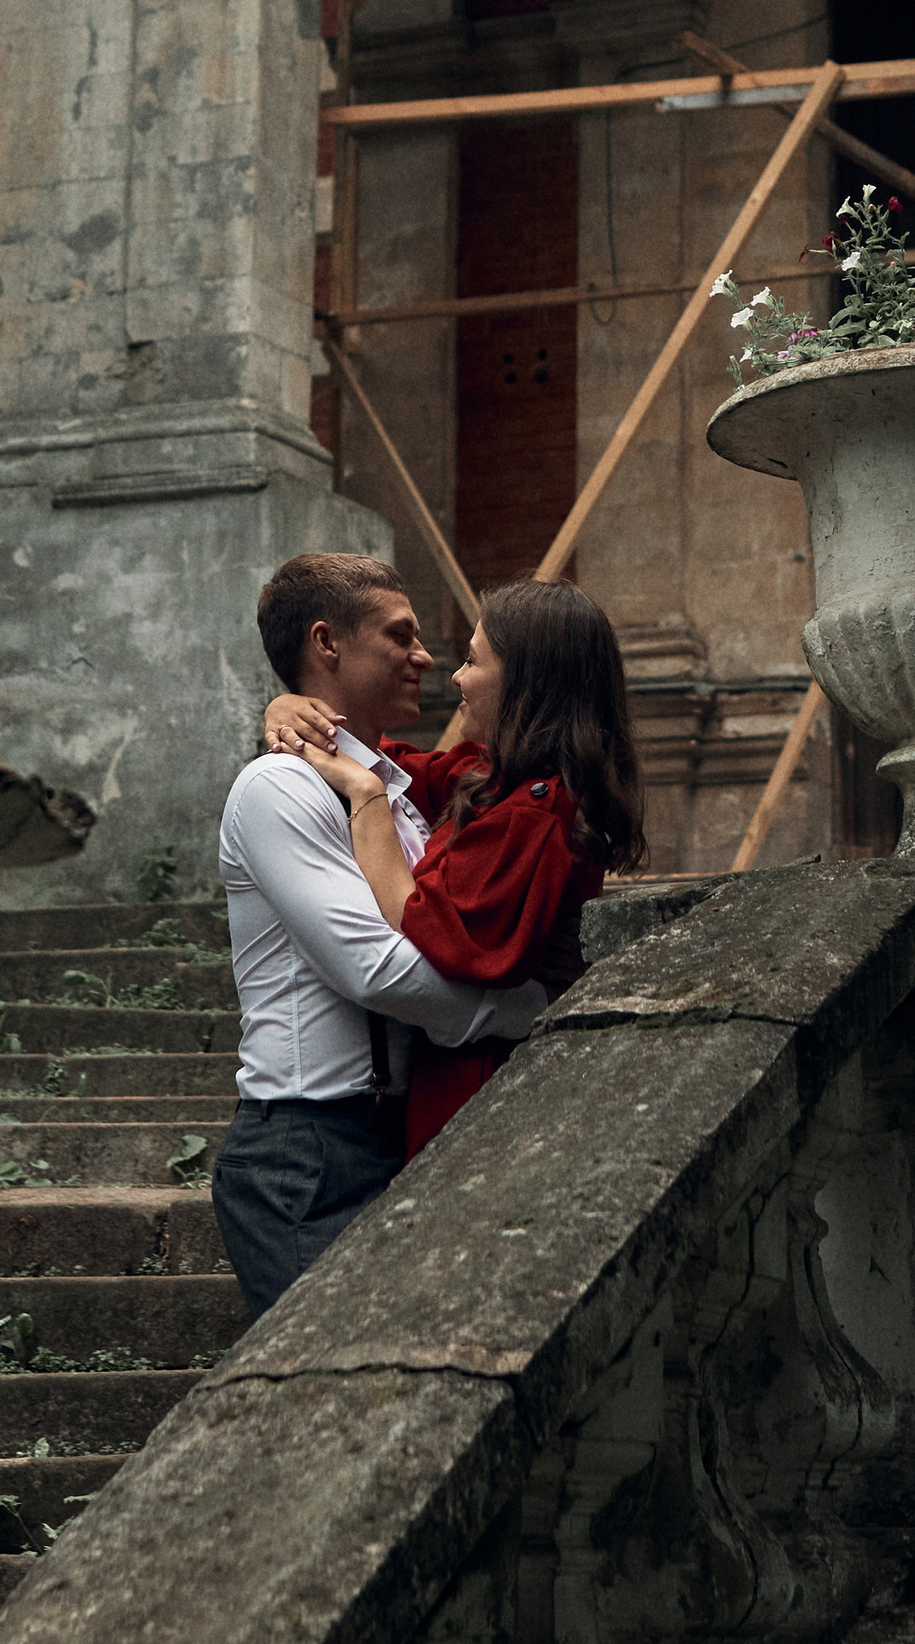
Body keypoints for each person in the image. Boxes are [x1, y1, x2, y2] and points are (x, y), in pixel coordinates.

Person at [213, 551, 551, 1320]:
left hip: (393, 1134)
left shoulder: (393, 794)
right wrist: (531, 1009)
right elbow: (379, 971)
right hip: (305, 1152)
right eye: (401, 636)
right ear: (327, 644)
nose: (426, 657)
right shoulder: (278, 787)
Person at [261, 576, 644, 1156]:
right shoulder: (499, 781)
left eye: (473, 660)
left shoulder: (535, 812)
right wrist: (292, 707)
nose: (455, 676)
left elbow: (415, 920)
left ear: (527, 682)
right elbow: (395, 762)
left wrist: (365, 797)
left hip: (481, 1097)